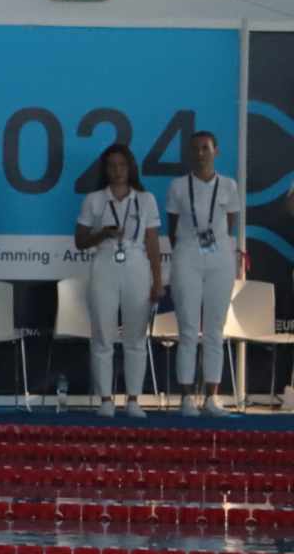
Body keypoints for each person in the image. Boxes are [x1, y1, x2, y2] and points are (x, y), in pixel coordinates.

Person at [75, 143, 162, 419]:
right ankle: (105, 400)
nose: (117, 170)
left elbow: (153, 243)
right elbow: (80, 241)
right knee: (103, 335)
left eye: (122, 165)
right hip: (104, 264)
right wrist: (103, 234)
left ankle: (134, 399)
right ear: (105, 169)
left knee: (136, 336)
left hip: (136, 265)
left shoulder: (145, 199)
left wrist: (158, 281)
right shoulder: (94, 200)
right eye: (112, 165)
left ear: (130, 167)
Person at [166, 130, 242, 417]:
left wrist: (214, 245)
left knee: (214, 330)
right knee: (187, 330)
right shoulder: (177, 186)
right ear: (190, 153)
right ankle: (186, 398)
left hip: (219, 257)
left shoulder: (229, 186)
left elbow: (230, 222)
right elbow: (172, 227)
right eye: (195, 149)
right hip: (187, 255)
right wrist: (189, 248)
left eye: (206, 148)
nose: (200, 153)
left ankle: (212, 397)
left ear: (216, 151)